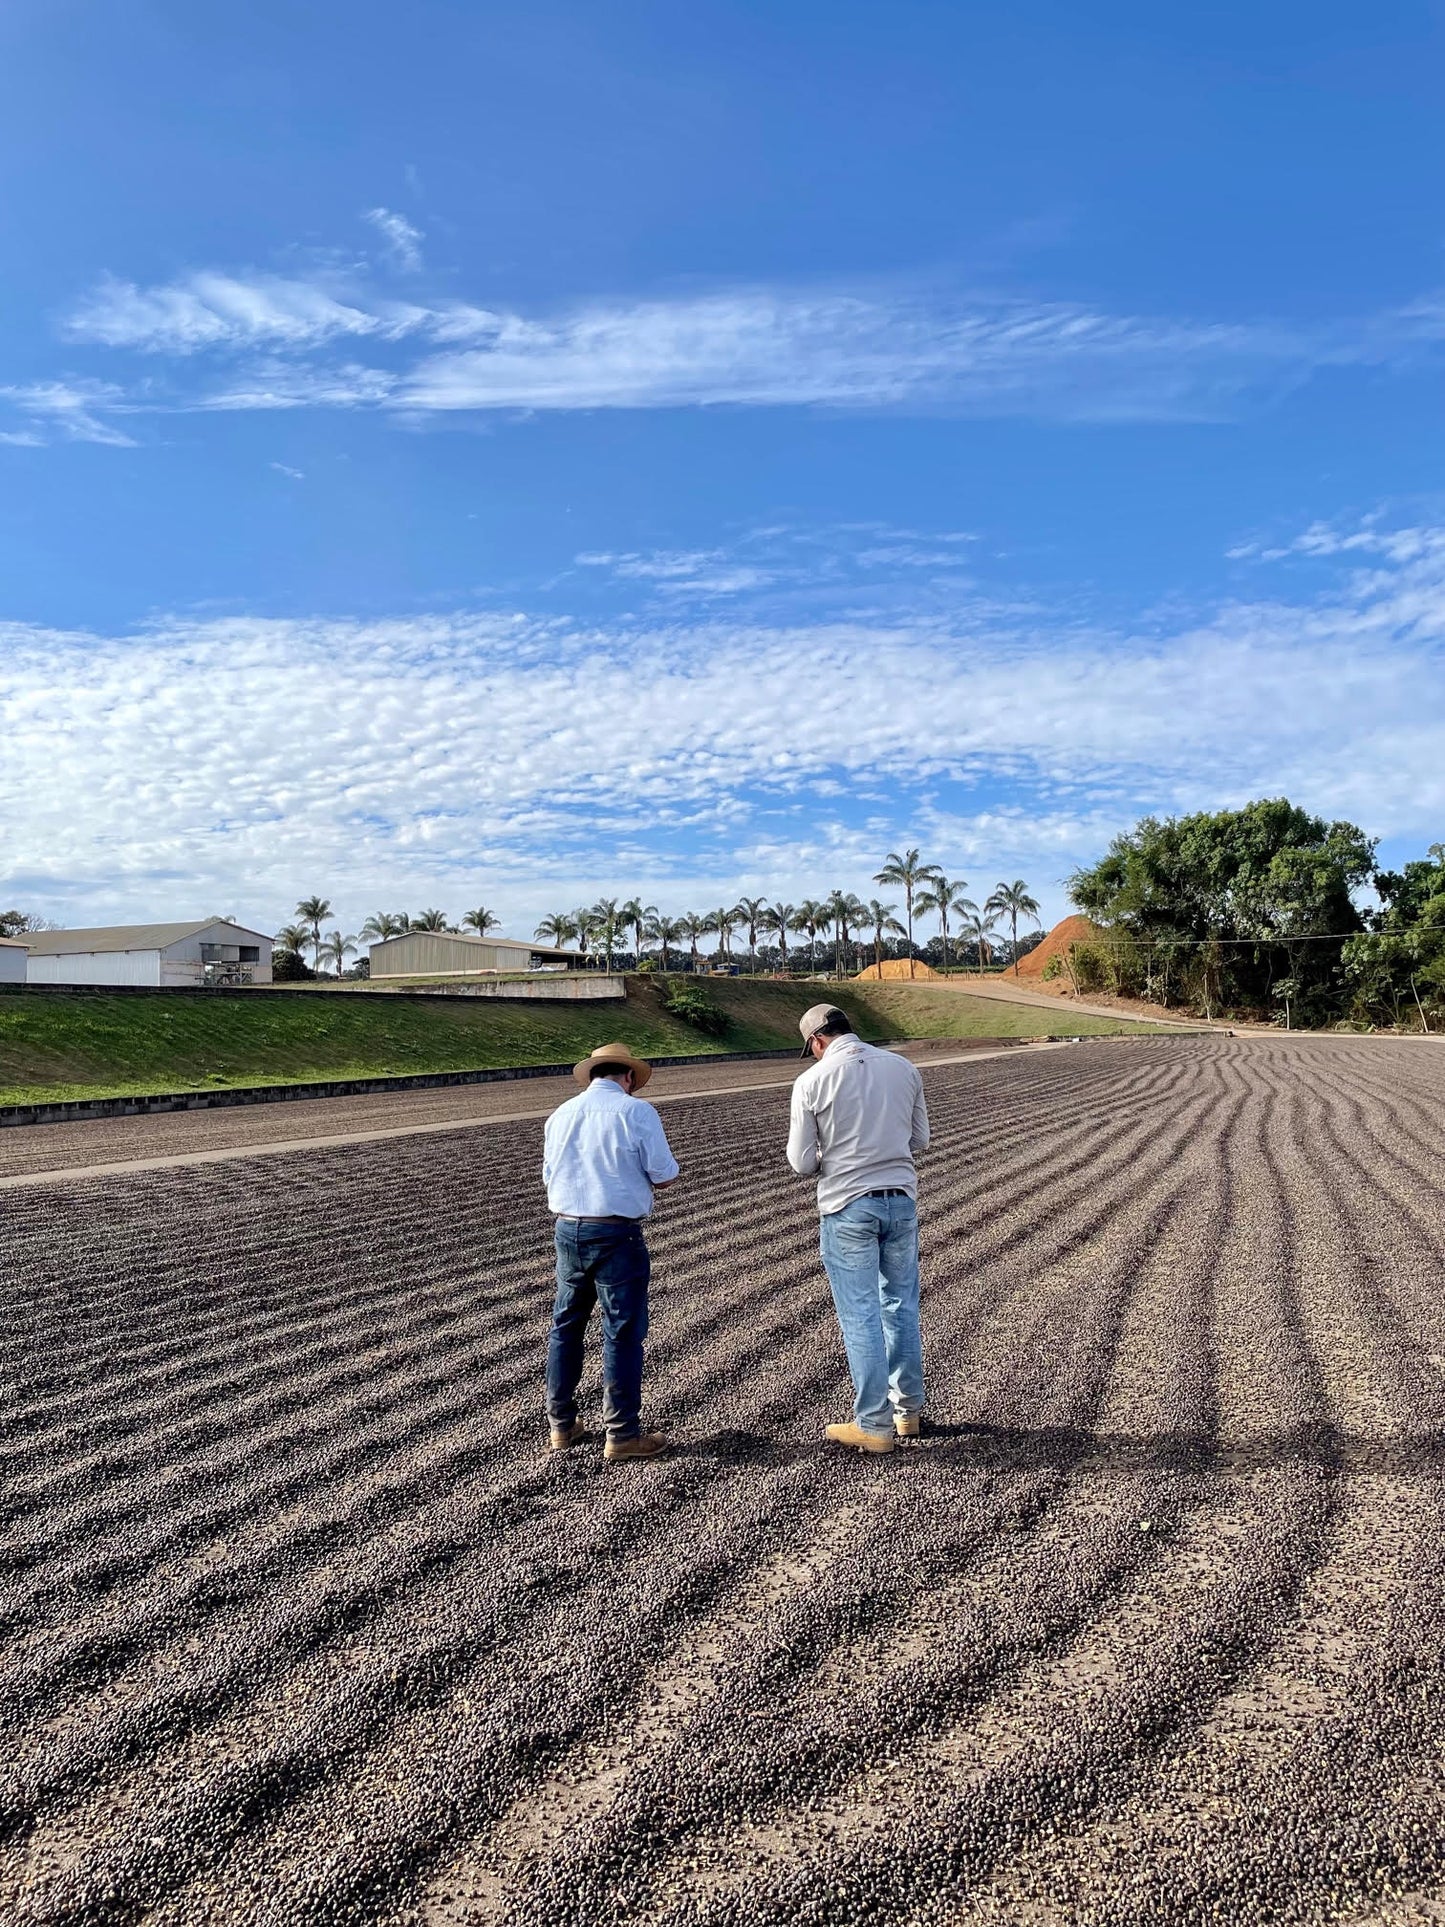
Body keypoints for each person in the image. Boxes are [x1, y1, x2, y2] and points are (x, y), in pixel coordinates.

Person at [787, 1004, 930, 1454]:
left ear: (817, 1041)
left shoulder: (811, 1081)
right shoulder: (903, 1068)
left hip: (848, 1205)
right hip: (900, 1200)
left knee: (860, 1316)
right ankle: (908, 1413)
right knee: (901, 1306)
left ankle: (873, 1424)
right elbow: (920, 1140)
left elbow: (802, 1162)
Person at [542, 1042, 680, 1462]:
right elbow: (664, 1174)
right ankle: (621, 1434)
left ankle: (561, 1425)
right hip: (617, 1232)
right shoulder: (637, 1113)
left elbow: (549, 1175)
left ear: (592, 1076)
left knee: (566, 1326)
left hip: (567, 1229)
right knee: (621, 1332)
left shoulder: (560, 1114)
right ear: (630, 1078)